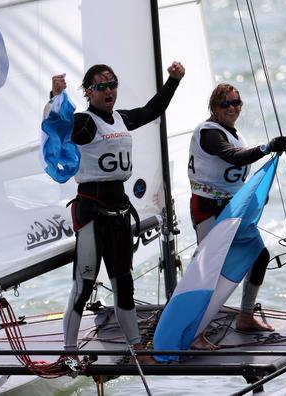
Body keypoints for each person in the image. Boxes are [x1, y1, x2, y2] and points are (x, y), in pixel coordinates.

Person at [48, 62, 185, 362]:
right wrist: (54, 96)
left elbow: (152, 110)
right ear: (88, 91)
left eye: (112, 84)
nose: (109, 90)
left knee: (124, 283)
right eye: (101, 86)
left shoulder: (120, 119)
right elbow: (56, 127)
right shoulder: (84, 122)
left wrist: (173, 81)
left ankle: (136, 349)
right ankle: (68, 354)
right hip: (91, 215)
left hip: (120, 212)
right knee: (83, 286)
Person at [187, 83, 286, 350]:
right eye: (225, 104)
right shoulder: (208, 132)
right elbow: (234, 158)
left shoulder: (235, 132)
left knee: (260, 256)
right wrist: (266, 148)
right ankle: (196, 333)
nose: (232, 108)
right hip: (208, 209)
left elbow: (237, 174)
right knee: (209, 271)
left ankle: (245, 315)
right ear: (214, 108)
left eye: (236, 103)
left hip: (233, 209)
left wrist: (256, 196)